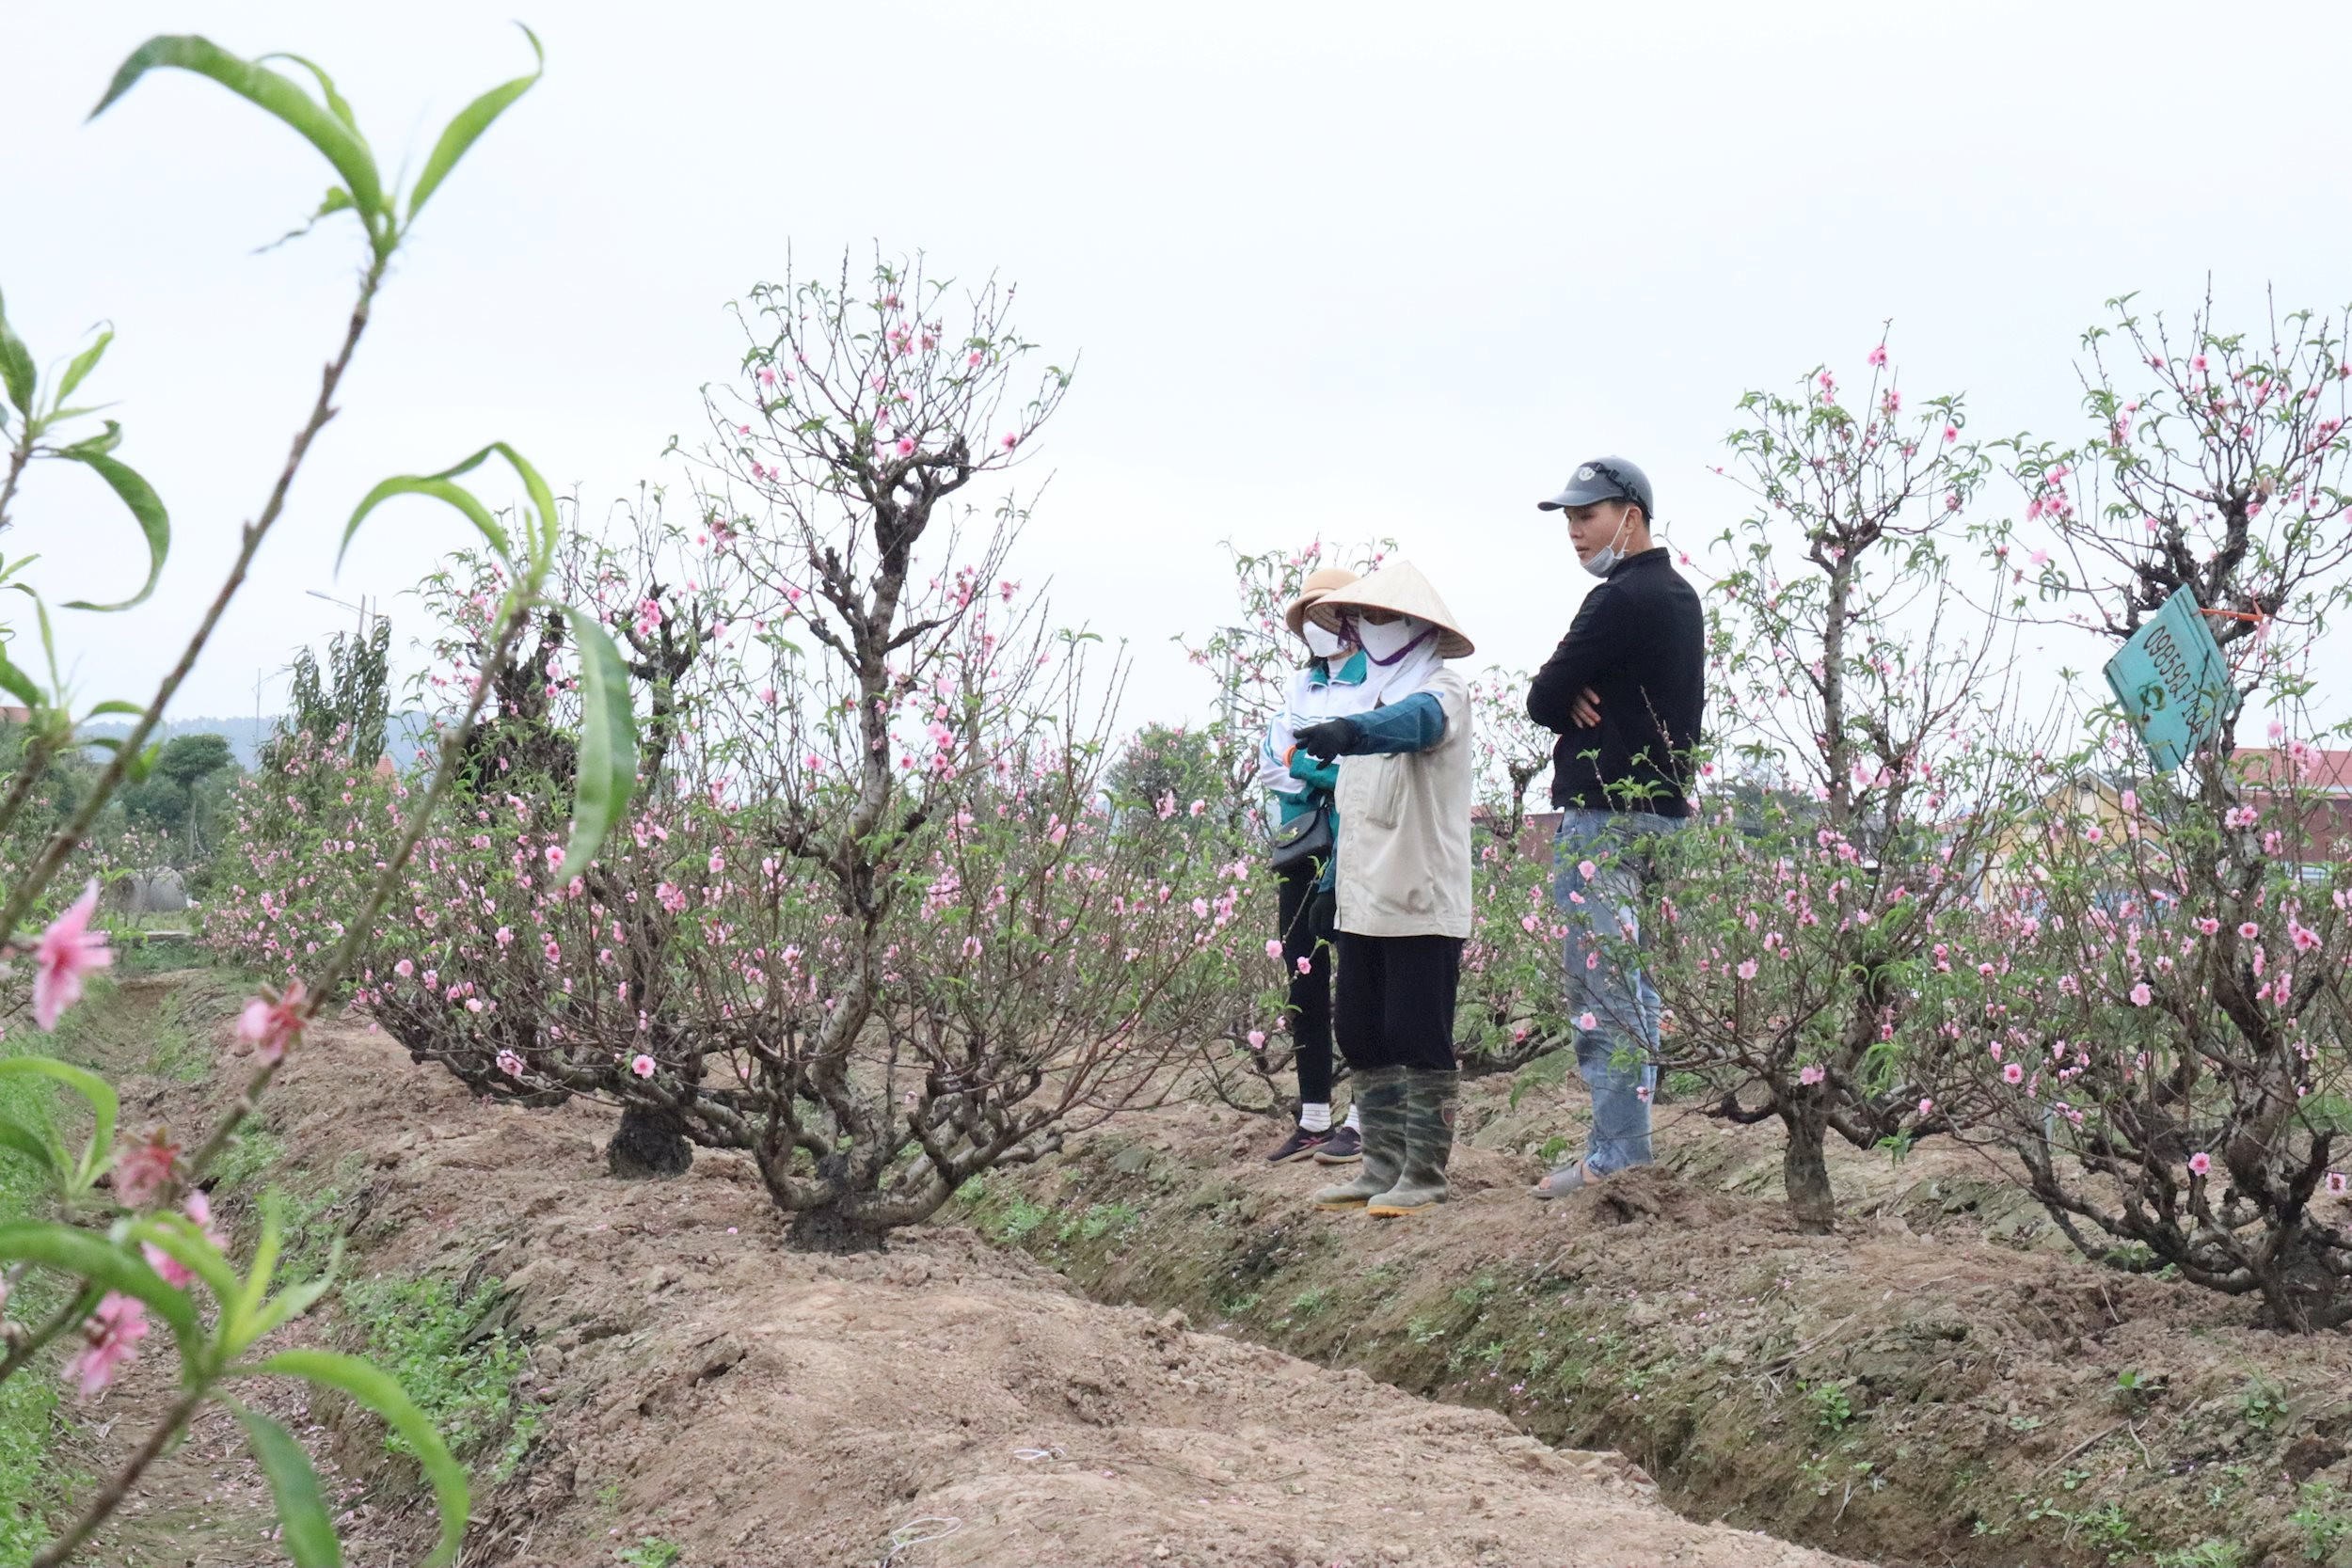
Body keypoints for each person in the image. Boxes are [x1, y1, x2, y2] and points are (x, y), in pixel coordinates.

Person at [1522, 456, 1704, 1197]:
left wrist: (1566, 701)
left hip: (1605, 819)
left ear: (1631, 514)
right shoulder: (1681, 596)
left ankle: (1617, 1158)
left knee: (1603, 989)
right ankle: (1627, 1146)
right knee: (1639, 987)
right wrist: (1575, 698)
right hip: (1662, 818)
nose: (1574, 531)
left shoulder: (1619, 599)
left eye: (1586, 514)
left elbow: (1540, 696)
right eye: (1568, 518)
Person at [1289, 561, 1476, 1218]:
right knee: (1361, 1030)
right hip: (1365, 903)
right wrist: (1330, 888)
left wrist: (1356, 733)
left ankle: (1423, 1172)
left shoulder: (1442, 691)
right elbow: (1357, 816)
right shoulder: (1365, 705)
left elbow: (1418, 724)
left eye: (1376, 616)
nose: (1364, 630)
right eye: (1359, 618)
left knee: (1415, 1032)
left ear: (1416, 626)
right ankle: (1380, 1167)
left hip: (1420, 900)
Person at [1255, 565, 1373, 1164]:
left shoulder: (1374, 683)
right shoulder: (1300, 689)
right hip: (1303, 844)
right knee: (1304, 972)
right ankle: (1313, 1115)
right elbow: (1269, 760)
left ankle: (1361, 1118)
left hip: (1356, 845)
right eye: (1311, 616)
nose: (1320, 627)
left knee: (1357, 973)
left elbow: (1361, 766)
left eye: (1330, 613)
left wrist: (1308, 766)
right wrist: (1321, 771)